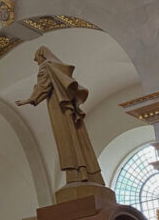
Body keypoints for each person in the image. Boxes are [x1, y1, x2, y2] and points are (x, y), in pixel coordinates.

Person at [16, 46, 104, 185]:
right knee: (76, 137)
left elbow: (43, 87)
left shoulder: (46, 66)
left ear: (41, 56)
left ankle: (75, 173)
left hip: (58, 108)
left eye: (37, 59)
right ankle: (85, 171)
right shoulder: (56, 67)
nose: (37, 62)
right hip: (66, 106)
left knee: (66, 139)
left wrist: (28, 100)